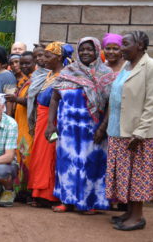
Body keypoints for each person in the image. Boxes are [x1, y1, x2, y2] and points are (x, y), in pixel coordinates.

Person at [45, 37, 115, 213]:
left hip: (93, 128)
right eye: (82, 49)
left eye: (89, 49)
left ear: (98, 51)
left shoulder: (106, 74)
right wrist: (50, 124)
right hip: (67, 129)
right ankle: (66, 201)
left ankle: (90, 202)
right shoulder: (68, 71)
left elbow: (111, 104)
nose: (85, 52)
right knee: (66, 163)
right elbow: (54, 98)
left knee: (91, 163)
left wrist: (103, 127)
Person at [106, 31, 153, 231]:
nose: (121, 48)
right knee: (125, 175)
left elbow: (152, 103)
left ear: (140, 45)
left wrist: (139, 133)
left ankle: (138, 217)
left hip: (137, 134)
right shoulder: (126, 66)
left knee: (136, 175)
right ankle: (130, 212)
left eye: (125, 44)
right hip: (118, 129)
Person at [28, 41, 67, 206]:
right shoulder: (49, 75)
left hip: (53, 120)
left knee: (50, 155)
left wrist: (52, 123)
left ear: (58, 58)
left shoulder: (63, 77)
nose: (43, 59)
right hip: (42, 118)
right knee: (40, 156)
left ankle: (49, 195)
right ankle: (38, 192)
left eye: (48, 56)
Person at [4, 51, 35, 197]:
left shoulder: (36, 80)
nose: (23, 66)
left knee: (27, 156)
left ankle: (29, 191)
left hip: (29, 124)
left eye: (27, 63)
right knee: (20, 155)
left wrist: (15, 99)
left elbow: (34, 101)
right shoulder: (23, 80)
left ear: (35, 63)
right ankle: (20, 191)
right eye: (22, 63)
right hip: (19, 122)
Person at [27, 44, 49, 133]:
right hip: (37, 114)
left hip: (49, 114)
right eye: (35, 57)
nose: (38, 59)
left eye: (40, 55)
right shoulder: (35, 75)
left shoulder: (56, 74)